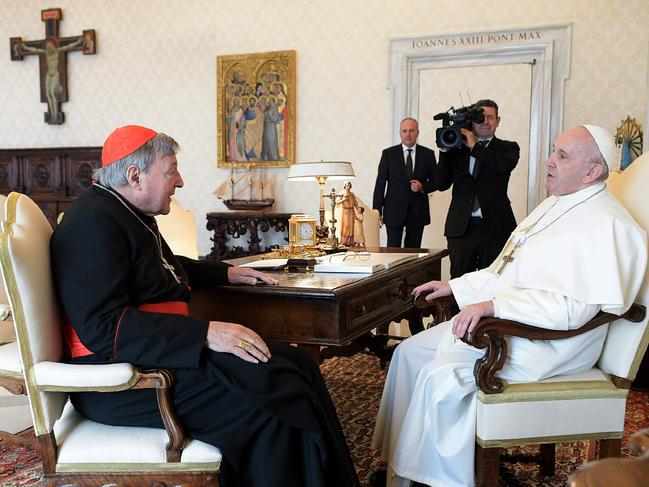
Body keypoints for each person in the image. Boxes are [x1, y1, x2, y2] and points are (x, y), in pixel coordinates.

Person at [50, 125, 360, 487]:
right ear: (135, 176)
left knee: (297, 364)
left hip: (153, 355)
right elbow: (105, 329)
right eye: (171, 171)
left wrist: (226, 273)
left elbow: (163, 270)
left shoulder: (122, 211)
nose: (179, 182)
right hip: (123, 382)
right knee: (274, 404)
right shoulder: (92, 224)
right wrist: (207, 334)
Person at [371, 125, 647, 487]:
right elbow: (505, 270)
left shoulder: (608, 224)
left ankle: (436, 480)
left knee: (442, 377)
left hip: (554, 342)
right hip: (522, 322)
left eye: (562, 156)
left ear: (592, 171)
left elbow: (572, 311)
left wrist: (493, 307)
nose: (549, 161)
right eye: (553, 150)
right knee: (409, 352)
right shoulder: (555, 205)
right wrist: (454, 286)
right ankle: (401, 470)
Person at [435, 99, 520, 278]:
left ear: (498, 120)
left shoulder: (508, 148)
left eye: (490, 117)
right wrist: (444, 152)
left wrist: (475, 146)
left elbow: (502, 166)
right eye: (480, 117)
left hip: (496, 227)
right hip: (461, 228)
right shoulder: (456, 149)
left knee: (491, 281)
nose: (485, 122)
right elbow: (441, 184)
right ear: (472, 121)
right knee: (459, 281)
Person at [372, 118, 437, 248]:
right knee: (392, 251)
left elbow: (437, 182)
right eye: (405, 131)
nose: (408, 134)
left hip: (418, 211)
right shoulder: (388, 154)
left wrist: (422, 186)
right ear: (400, 133)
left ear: (417, 133)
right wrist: (377, 211)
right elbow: (380, 184)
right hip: (393, 210)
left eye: (412, 131)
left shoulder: (428, 154)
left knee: (413, 252)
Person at [18, 36, 85, 122]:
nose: (48, 48)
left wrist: (78, 42)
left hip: (55, 74)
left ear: (53, 46)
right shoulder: (46, 52)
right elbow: (34, 50)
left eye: (50, 46)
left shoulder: (58, 51)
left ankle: (55, 114)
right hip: (48, 74)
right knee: (47, 94)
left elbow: (69, 46)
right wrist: (25, 47)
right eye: (47, 47)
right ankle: (52, 112)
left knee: (53, 93)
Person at [337, 180, 362, 246]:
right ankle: (344, 241)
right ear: (344, 186)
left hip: (351, 211)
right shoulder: (342, 193)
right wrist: (344, 199)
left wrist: (358, 209)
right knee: (346, 226)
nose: (348, 187)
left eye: (349, 185)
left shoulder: (352, 194)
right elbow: (337, 202)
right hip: (345, 211)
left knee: (351, 227)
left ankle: (350, 242)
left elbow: (355, 203)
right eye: (347, 185)